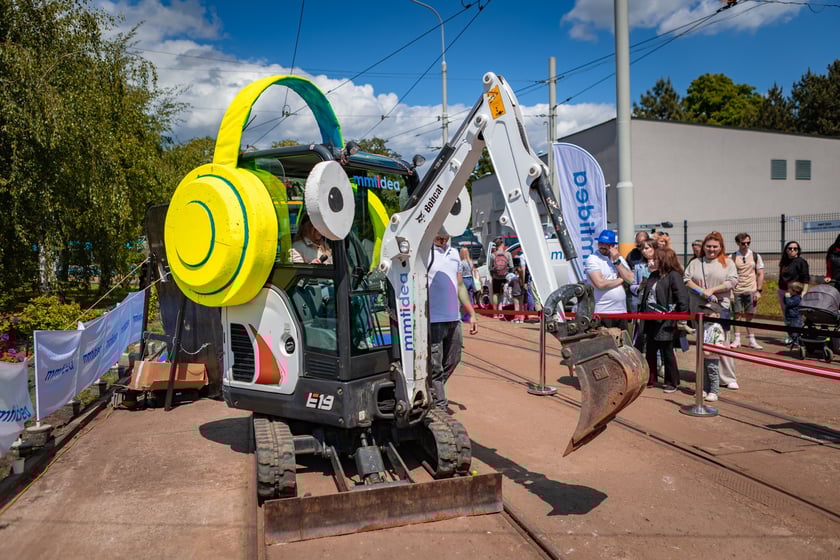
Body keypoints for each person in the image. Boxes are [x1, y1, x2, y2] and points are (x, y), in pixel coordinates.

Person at [684, 231, 739, 395]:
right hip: (699, 307)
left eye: (715, 246)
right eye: (708, 246)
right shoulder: (695, 262)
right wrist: (702, 292)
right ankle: (704, 379)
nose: (711, 249)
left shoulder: (727, 262)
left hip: (719, 306)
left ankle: (728, 377)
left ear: (721, 247)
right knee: (703, 344)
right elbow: (687, 280)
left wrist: (713, 290)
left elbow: (733, 281)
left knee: (721, 342)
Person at [428, 229, 473, 410]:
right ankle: (440, 404)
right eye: (438, 233)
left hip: (453, 318)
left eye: (445, 234)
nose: (442, 238)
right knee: (435, 365)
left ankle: (432, 389)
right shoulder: (425, 252)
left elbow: (460, 285)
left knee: (454, 358)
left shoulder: (454, 254)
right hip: (433, 319)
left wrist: (472, 313)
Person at [638, 248, 689, 392]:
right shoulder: (653, 275)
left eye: (656, 259)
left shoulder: (674, 276)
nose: (652, 261)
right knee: (650, 350)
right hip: (650, 318)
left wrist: (682, 318)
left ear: (664, 260)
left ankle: (672, 382)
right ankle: (651, 378)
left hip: (667, 320)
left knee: (667, 351)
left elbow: (682, 298)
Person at [584, 229, 634, 329]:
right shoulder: (592, 259)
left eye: (606, 244)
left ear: (612, 246)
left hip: (621, 311)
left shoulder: (618, 258)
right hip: (603, 311)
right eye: (600, 243)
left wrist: (617, 261)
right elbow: (600, 284)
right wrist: (620, 280)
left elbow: (630, 278)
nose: (602, 246)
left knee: (622, 342)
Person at [730, 232, 765, 349]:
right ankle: (737, 339)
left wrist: (759, 291)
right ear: (737, 243)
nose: (746, 245)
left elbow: (760, 273)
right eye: (743, 243)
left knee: (750, 315)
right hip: (737, 290)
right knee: (737, 315)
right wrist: (730, 291)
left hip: (751, 290)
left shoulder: (756, 256)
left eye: (748, 243)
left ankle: (751, 340)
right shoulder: (732, 257)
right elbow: (728, 275)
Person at [778, 240, 810, 344]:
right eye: (790, 248)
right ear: (786, 250)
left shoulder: (801, 262)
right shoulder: (784, 261)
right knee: (787, 315)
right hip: (783, 291)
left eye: (795, 249)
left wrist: (804, 292)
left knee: (796, 316)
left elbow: (806, 278)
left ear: (798, 251)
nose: (792, 250)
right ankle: (790, 335)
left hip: (795, 293)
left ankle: (797, 337)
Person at [489, 237, 513, 319]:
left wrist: (493, 275)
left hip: (496, 277)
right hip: (505, 277)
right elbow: (511, 266)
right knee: (503, 294)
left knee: (495, 294)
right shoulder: (507, 254)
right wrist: (508, 273)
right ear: (502, 245)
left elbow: (490, 267)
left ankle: (495, 313)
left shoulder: (493, 255)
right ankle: (501, 311)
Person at [784, 281, 805, 348]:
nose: (788, 290)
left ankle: (796, 343)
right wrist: (785, 298)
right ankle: (793, 341)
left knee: (794, 332)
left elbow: (789, 304)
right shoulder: (793, 297)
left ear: (795, 291)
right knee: (790, 330)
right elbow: (786, 303)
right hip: (789, 317)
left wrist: (787, 297)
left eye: (789, 289)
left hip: (795, 318)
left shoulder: (797, 298)